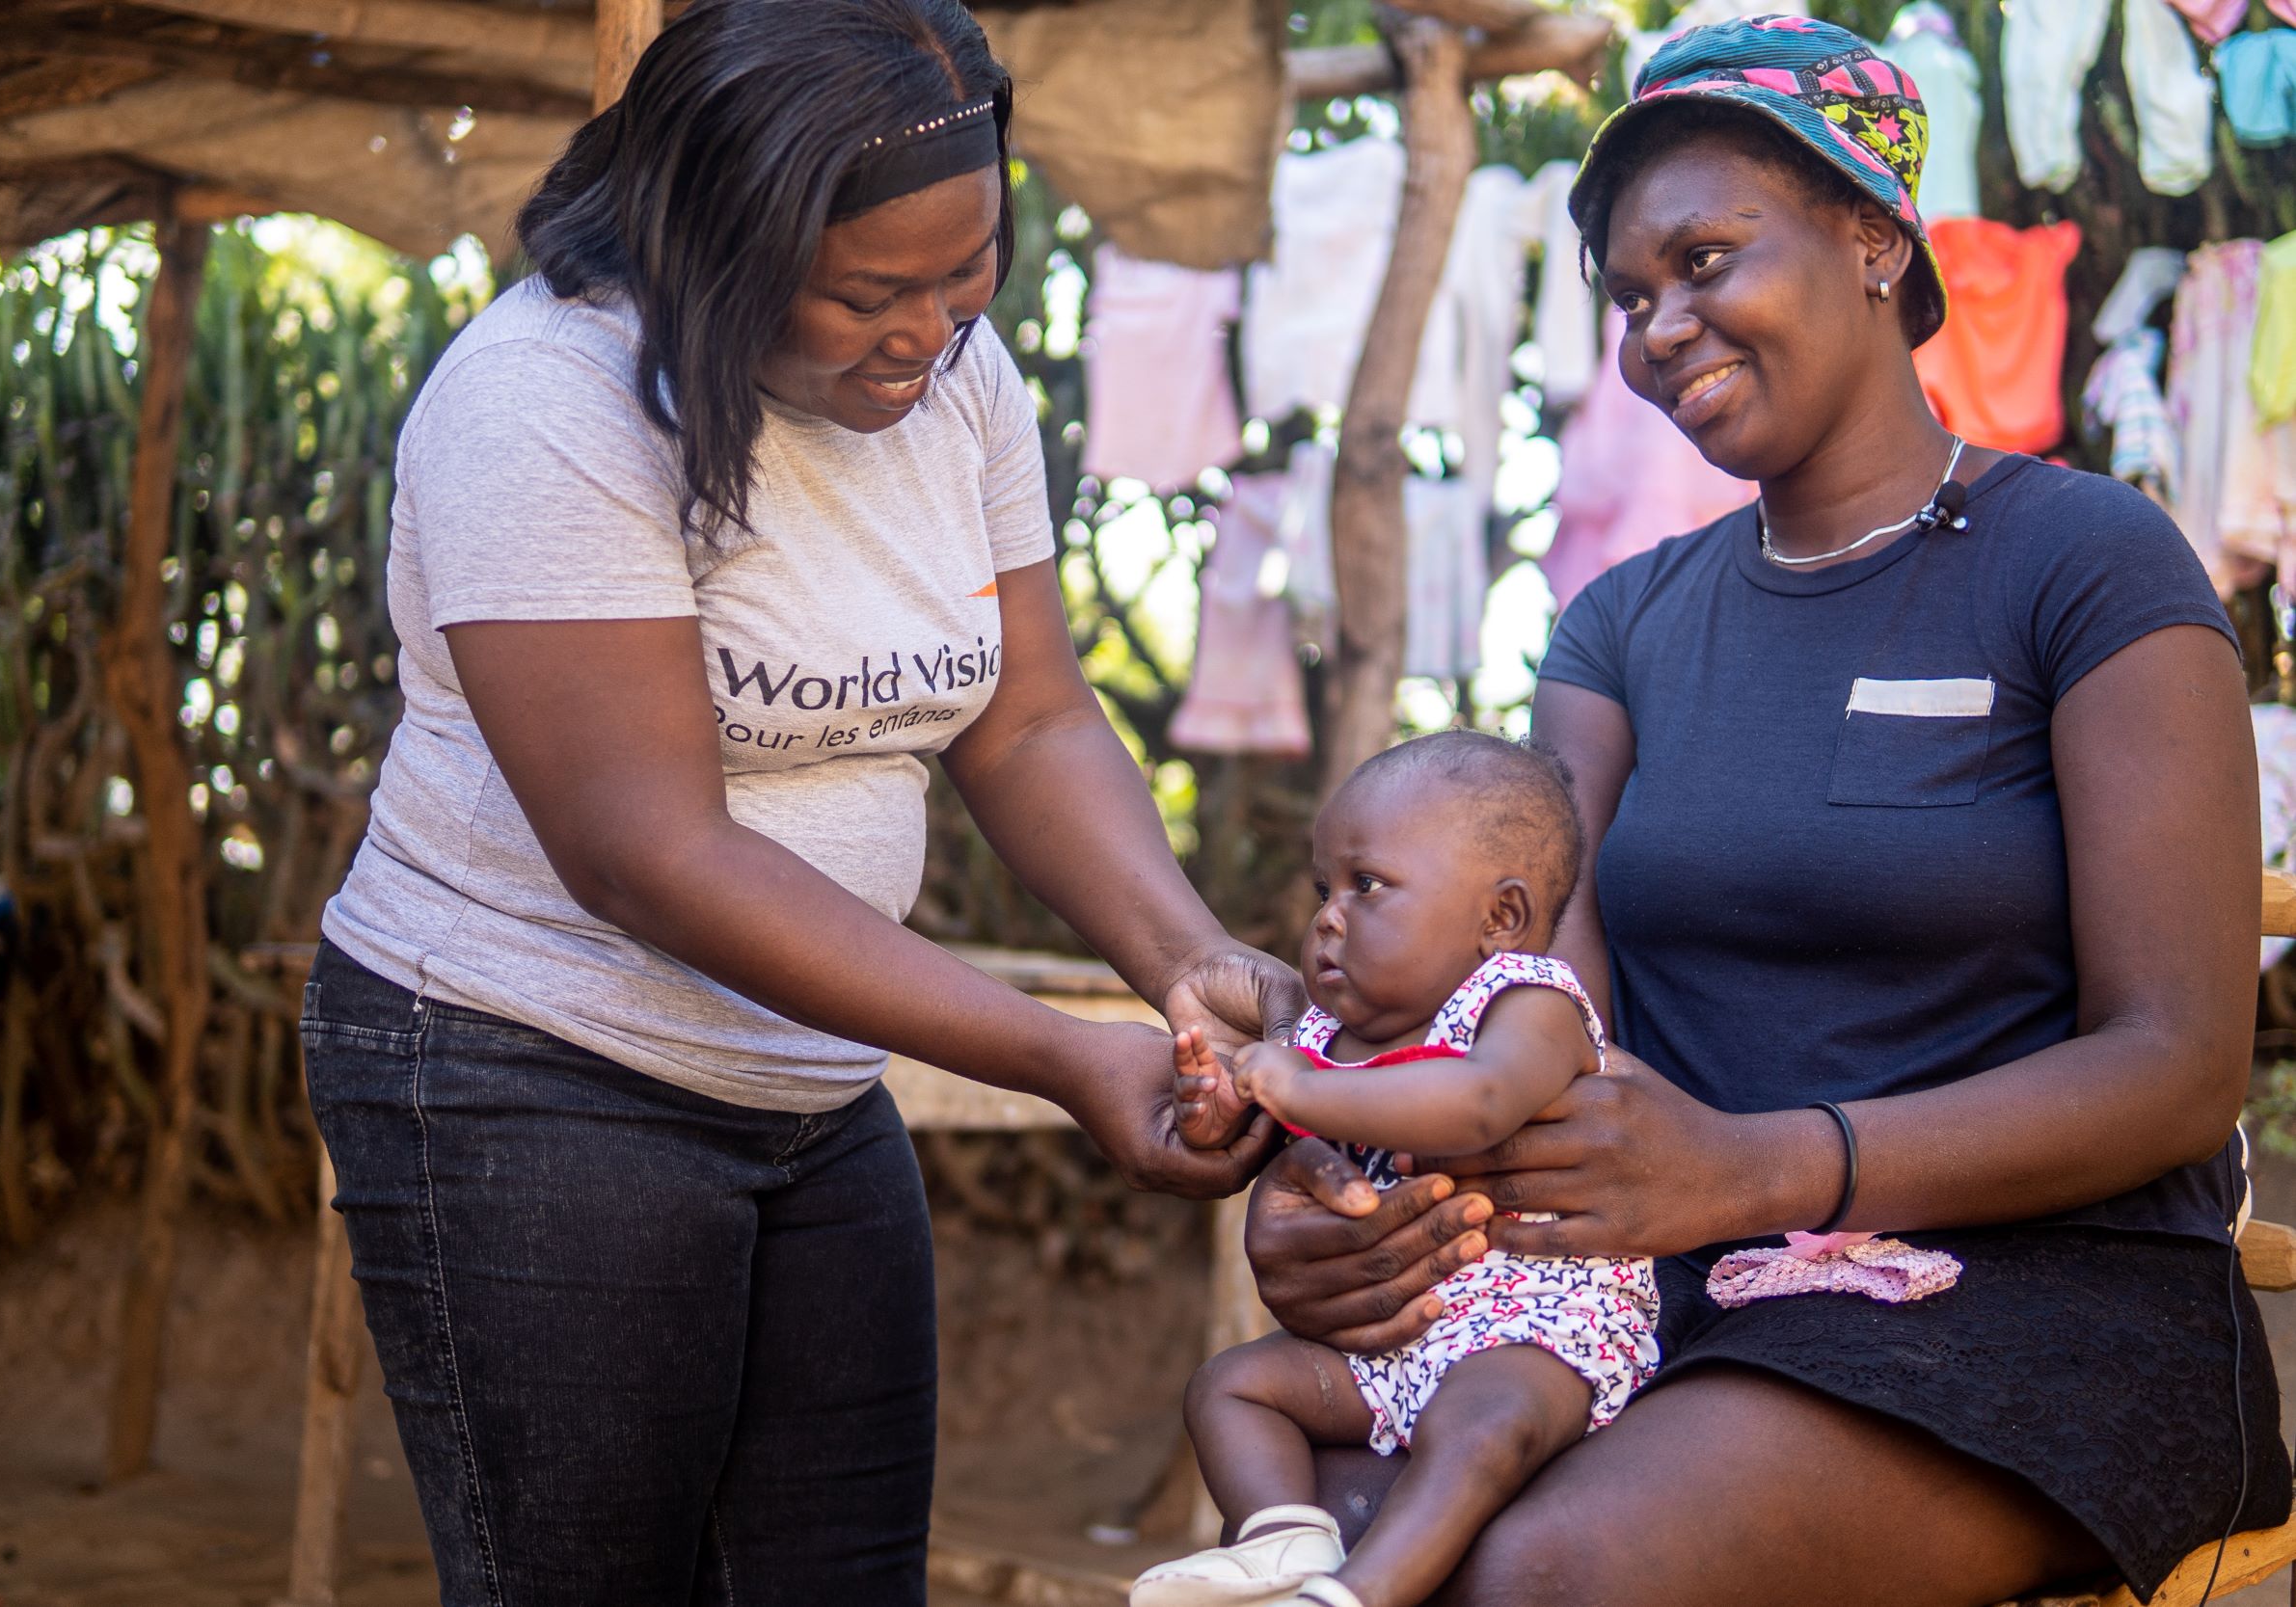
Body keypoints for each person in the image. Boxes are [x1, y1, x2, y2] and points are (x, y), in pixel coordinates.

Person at [1234, 18, 2293, 1606]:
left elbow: (2180, 1061)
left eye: (1705, 258)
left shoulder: (2085, 563)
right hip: (1677, 1281)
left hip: (2041, 1291)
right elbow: (1531, 1012)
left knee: (1539, 1566)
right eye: (1630, 297)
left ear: (1873, 236)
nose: (1661, 326)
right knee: (1313, 1492)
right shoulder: (1619, 628)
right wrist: (1349, 1202)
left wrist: (1762, 1165)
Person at [294, 5, 1298, 1604]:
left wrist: (1182, 959)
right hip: (526, 1068)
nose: (929, 330)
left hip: (810, 1090)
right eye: (866, 293)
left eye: (968, 271)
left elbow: (1029, 717)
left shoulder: (962, 384)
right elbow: (649, 854)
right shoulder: (546, 402)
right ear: (717, 247)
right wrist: (1056, 1054)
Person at [1136, 733, 1659, 1607]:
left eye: (1367, 886)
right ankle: (1284, 1540)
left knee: (1484, 1429)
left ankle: (1358, 1595)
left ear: (1499, 918)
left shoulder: (1531, 1004)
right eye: (1323, 890)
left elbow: (1478, 1104)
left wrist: (1299, 1085)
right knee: (1231, 1385)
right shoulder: (1323, 1036)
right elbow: (1286, 1127)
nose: (1328, 917)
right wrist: (1223, 1108)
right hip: (1396, 1338)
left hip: (1534, 1328)